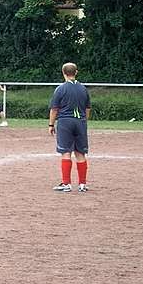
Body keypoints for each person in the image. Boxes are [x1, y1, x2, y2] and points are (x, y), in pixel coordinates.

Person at [49, 62, 91, 193]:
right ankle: (82, 184)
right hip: (80, 122)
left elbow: (54, 109)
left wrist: (51, 124)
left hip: (65, 122)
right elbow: (87, 108)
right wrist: (84, 121)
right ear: (76, 72)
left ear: (63, 73)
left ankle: (66, 184)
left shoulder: (60, 89)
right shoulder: (83, 88)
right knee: (80, 153)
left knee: (66, 152)